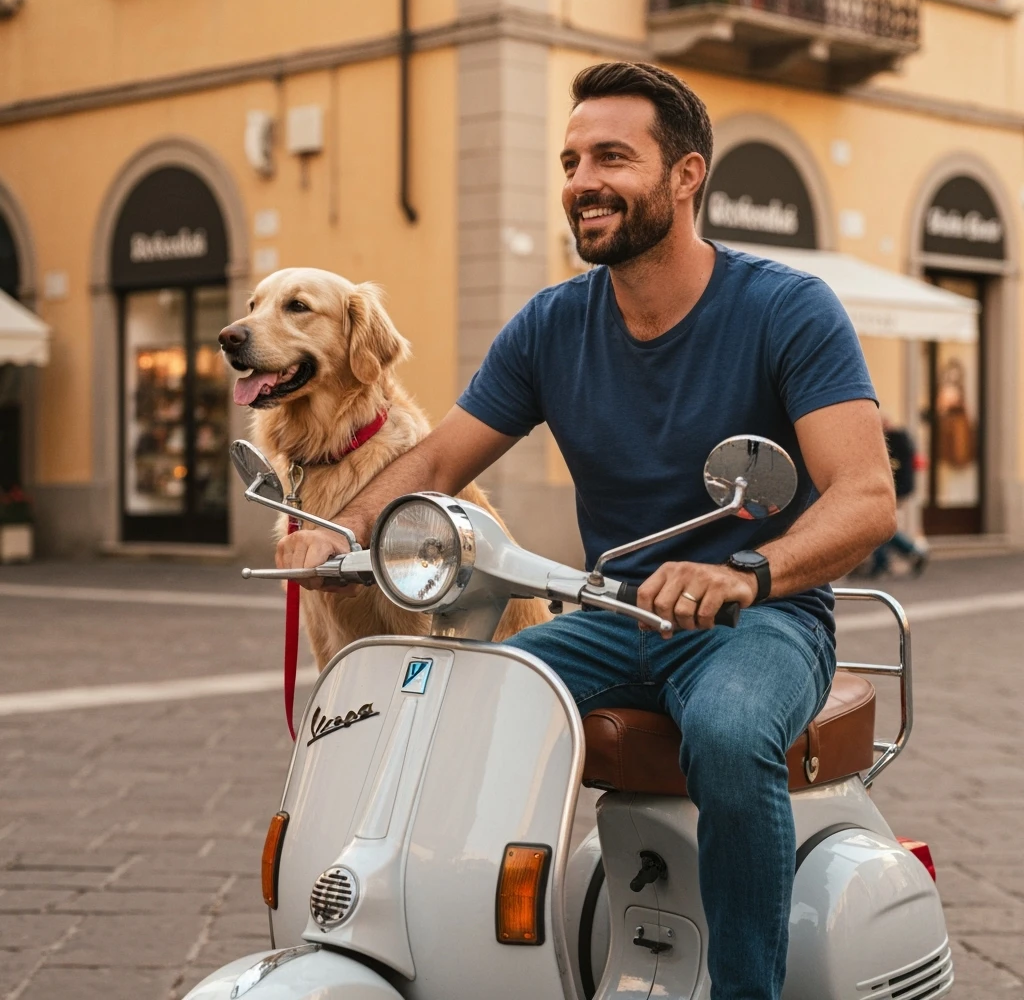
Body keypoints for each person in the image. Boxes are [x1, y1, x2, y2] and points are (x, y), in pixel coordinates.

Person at [276, 62, 896, 1000]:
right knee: (443, 705)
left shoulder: (785, 307)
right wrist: (338, 529)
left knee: (729, 734)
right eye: (570, 160)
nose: (580, 181)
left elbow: (865, 497)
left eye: (611, 155)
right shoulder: (552, 326)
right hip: (614, 611)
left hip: (760, 618)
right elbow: (437, 461)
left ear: (686, 176)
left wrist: (747, 573)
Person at [869, 418, 928, 576]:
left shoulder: (894, 442)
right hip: (897, 489)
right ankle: (910, 553)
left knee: (881, 525)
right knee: (881, 524)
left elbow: (896, 470)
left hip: (894, 489)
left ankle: (886, 560)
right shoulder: (902, 441)